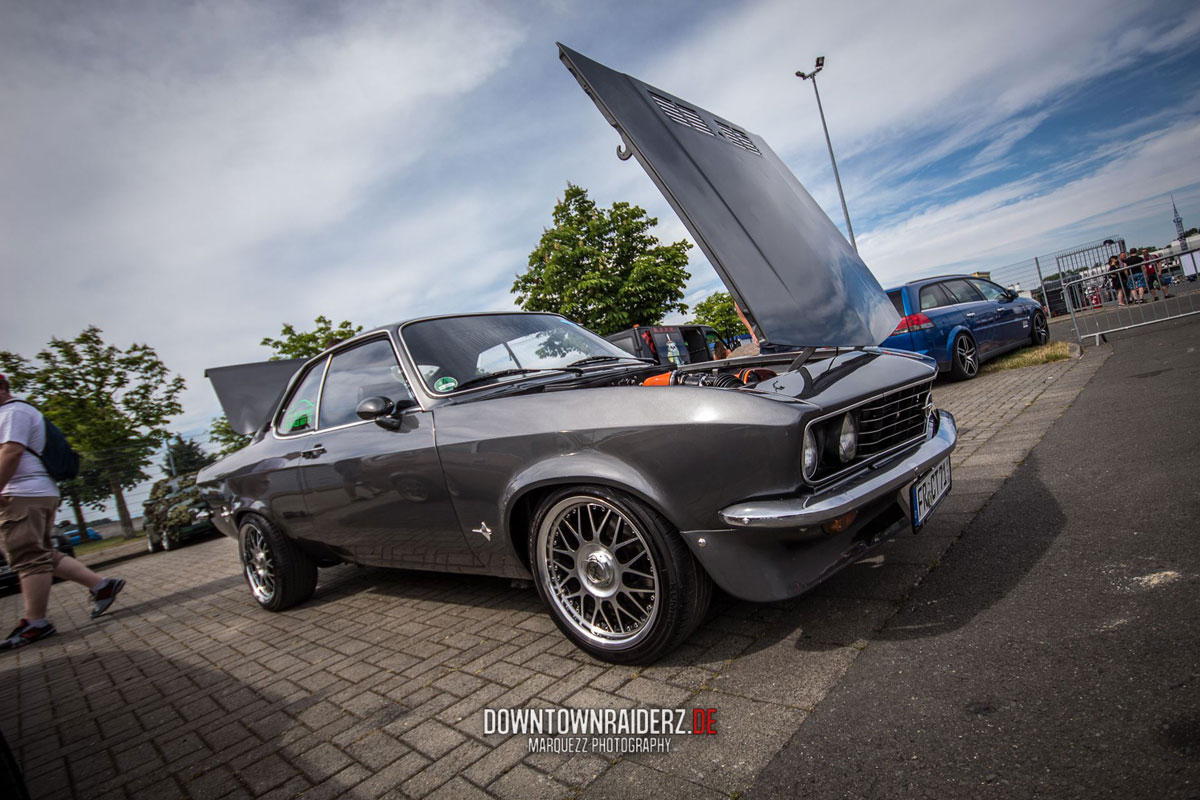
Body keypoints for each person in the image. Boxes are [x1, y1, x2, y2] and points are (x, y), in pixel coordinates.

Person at [0, 374, 124, 652]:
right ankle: (101, 585)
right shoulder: (17, 411)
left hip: (23, 494)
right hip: (33, 492)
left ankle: (36, 623)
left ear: (3, 388)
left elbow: (10, 452)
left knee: (28, 557)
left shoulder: (12, 411)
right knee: (40, 553)